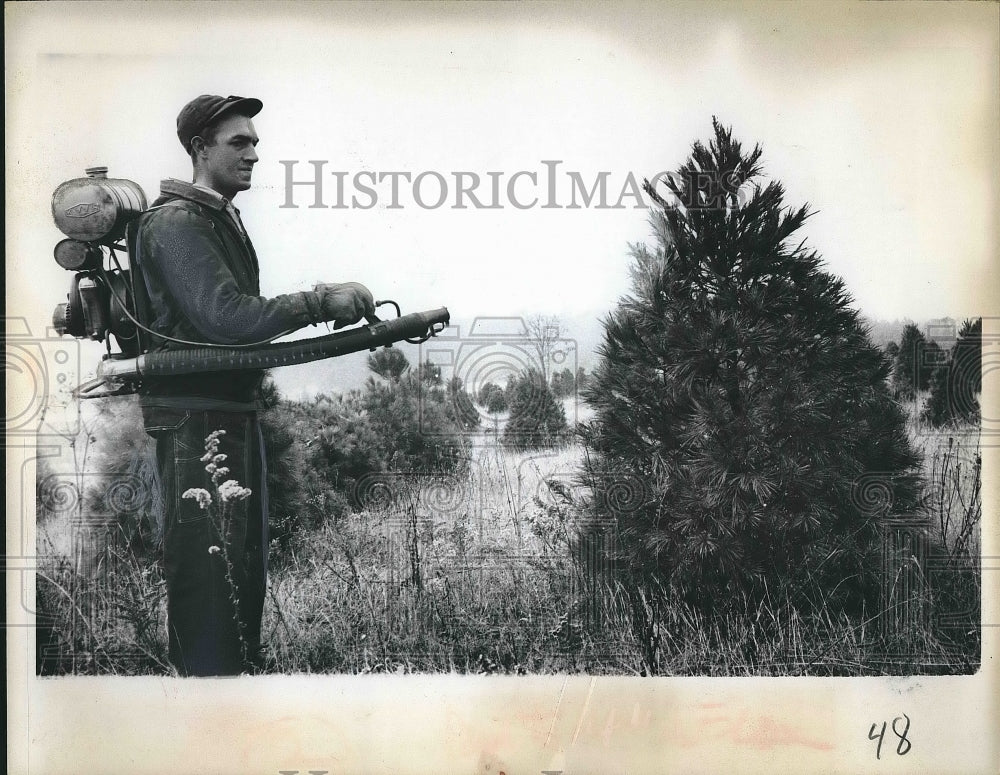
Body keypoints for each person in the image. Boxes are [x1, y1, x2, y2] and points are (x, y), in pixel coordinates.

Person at [132, 94, 374, 676]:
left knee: (238, 571)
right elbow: (228, 318)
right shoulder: (176, 223)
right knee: (209, 578)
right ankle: (206, 721)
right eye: (238, 142)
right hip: (198, 420)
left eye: (255, 142)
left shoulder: (213, 216)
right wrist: (318, 302)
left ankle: (233, 701)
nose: (254, 154)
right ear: (199, 148)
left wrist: (318, 301)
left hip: (224, 412)